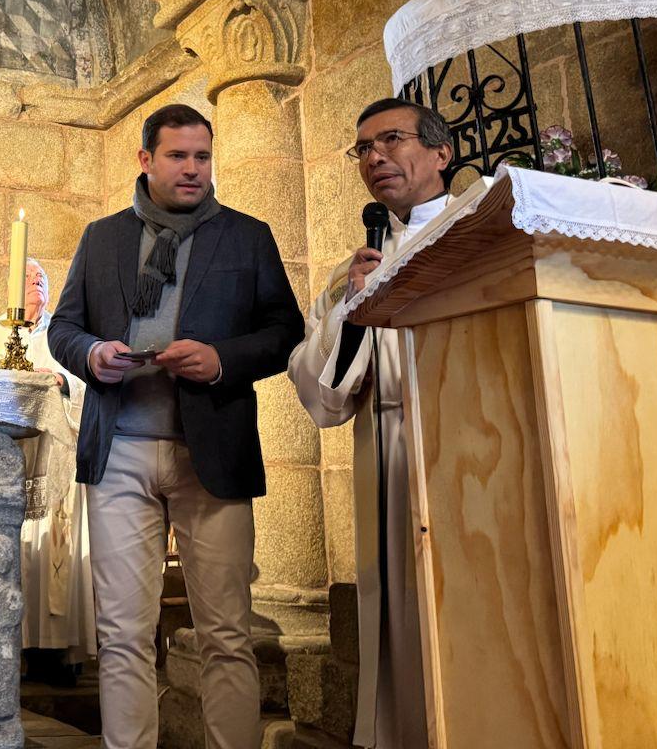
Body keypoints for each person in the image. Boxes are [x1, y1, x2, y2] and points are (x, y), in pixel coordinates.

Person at [48, 103, 304, 749]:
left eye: (202, 156)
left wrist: (221, 360)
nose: (193, 169)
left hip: (211, 448)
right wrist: (92, 354)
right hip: (119, 451)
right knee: (124, 634)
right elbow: (63, 327)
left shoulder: (247, 236)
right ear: (146, 160)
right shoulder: (102, 237)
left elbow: (285, 334)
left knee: (226, 634)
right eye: (178, 156)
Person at [288, 97, 455, 749]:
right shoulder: (349, 274)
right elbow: (322, 397)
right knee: (401, 642)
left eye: (391, 140)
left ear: (442, 152)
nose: (375, 158)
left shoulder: (483, 233)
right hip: (388, 457)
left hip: (468, 450)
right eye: (363, 149)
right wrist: (353, 308)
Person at [0, 260, 96, 678]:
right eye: (30, 279)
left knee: (58, 551)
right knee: (13, 549)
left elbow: (88, 384)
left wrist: (61, 381)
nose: (38, 285)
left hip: (55, 460)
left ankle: (58, 652)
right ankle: (8, 645)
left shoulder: (63, 333)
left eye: (43, 280)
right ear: (12, 289)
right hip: (9, 465)